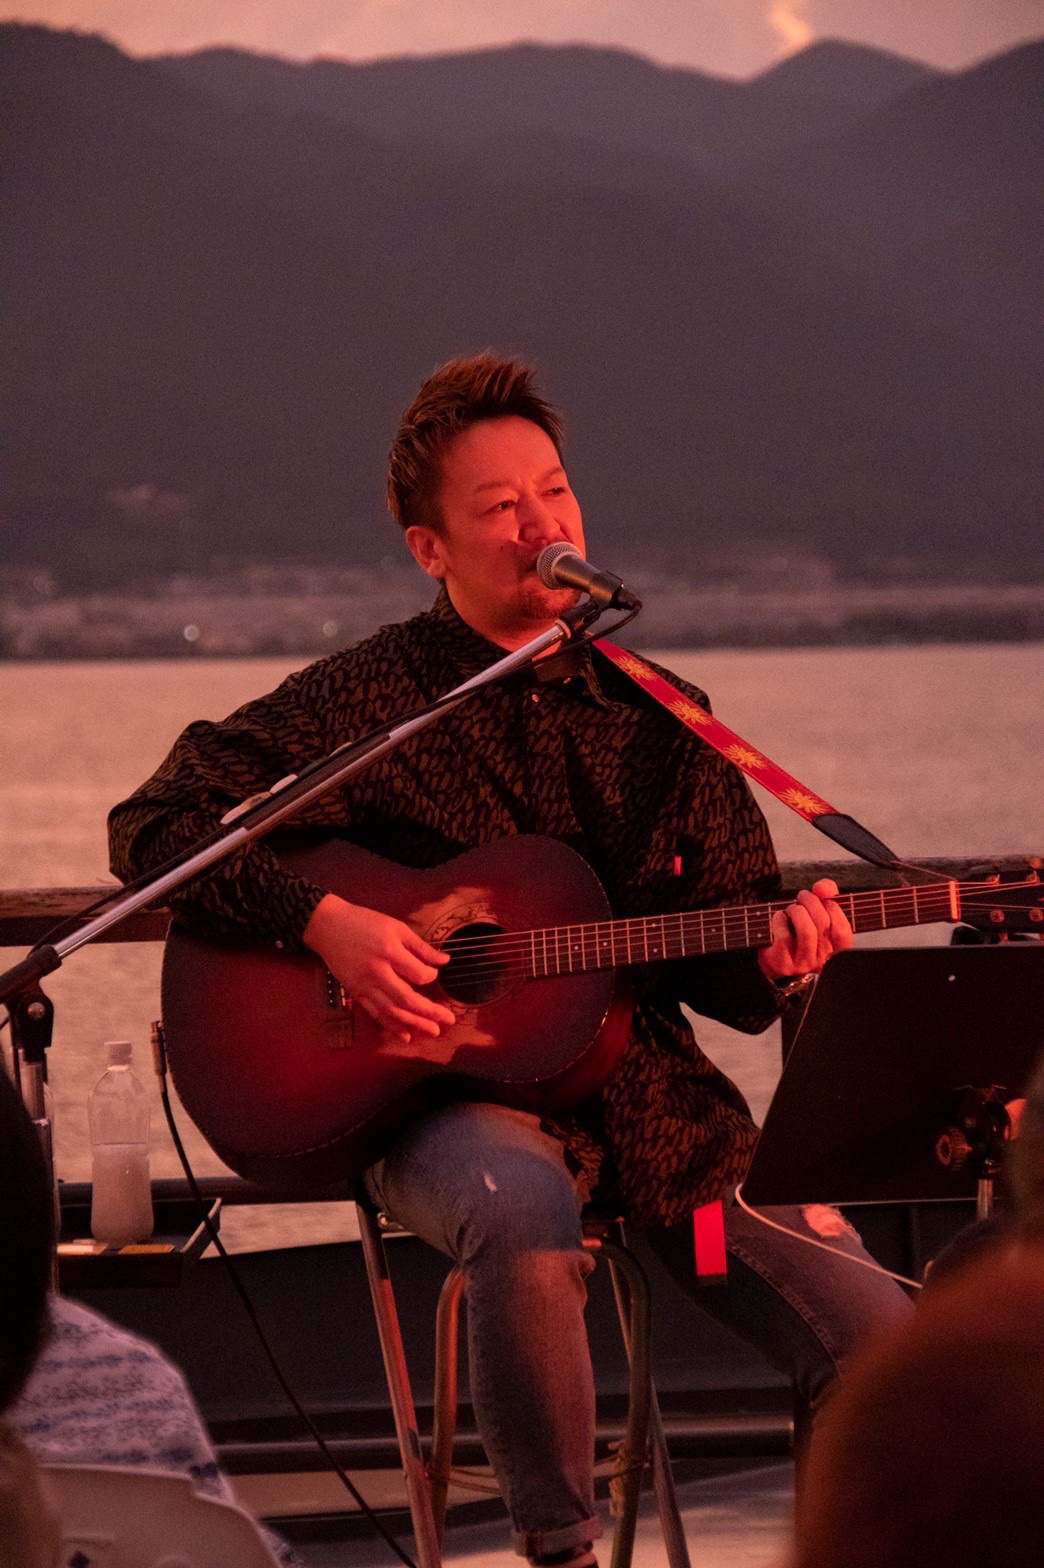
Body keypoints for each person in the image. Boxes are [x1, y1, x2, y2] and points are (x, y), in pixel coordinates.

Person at [108, 353, 910, 1566]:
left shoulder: (666, 714)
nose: (543, 524)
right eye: (501, 506)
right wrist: (326, 922)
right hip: (441, 1102)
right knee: (523, 1212)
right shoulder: (375, 696)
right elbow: (154, 824)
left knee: (883, 1341)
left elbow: (729, 970)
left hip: (652, 1104)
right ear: (430, 549)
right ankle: (561, 1552)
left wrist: (787, 957)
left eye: (555, 490)